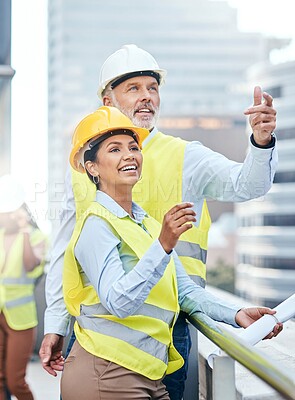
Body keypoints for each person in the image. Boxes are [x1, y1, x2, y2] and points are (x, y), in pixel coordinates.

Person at [39, 44, 277, 399]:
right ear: (108, 100)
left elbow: (249, 184)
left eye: (152, 88)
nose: (146, 97)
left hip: (171, 324)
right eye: (133, 89)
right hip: (100, 326)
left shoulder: (185, 157)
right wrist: (56, 324)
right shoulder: (80, 173)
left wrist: (260, 141)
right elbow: (63, 254)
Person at [0, 175, 47, 400]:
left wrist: (24, 229)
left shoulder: (36, 236)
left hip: (21, 318)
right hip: (0, 314)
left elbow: (30, 266)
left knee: (15, 381)